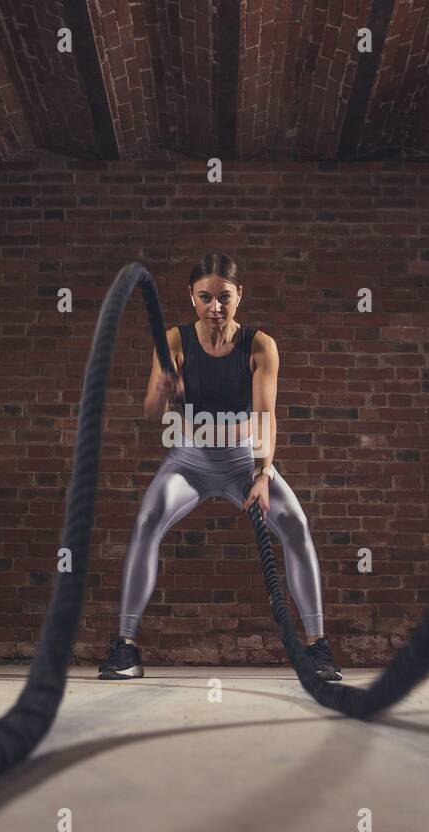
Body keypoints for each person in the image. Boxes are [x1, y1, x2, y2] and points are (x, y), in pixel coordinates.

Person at [98, 252, 341, 681]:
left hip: (243, 462)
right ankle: (126, 647)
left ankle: (318, 648)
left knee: (297, 526)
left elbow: (266, 417)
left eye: (224, 298)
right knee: (147, 520)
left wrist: (264, 475)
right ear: (191, 298)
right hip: (188, 461)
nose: (215, 308)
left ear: (239, 295)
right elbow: (152, 411)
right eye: (205, 298)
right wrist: (164, 386)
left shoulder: (260, 346)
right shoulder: (173, 340)